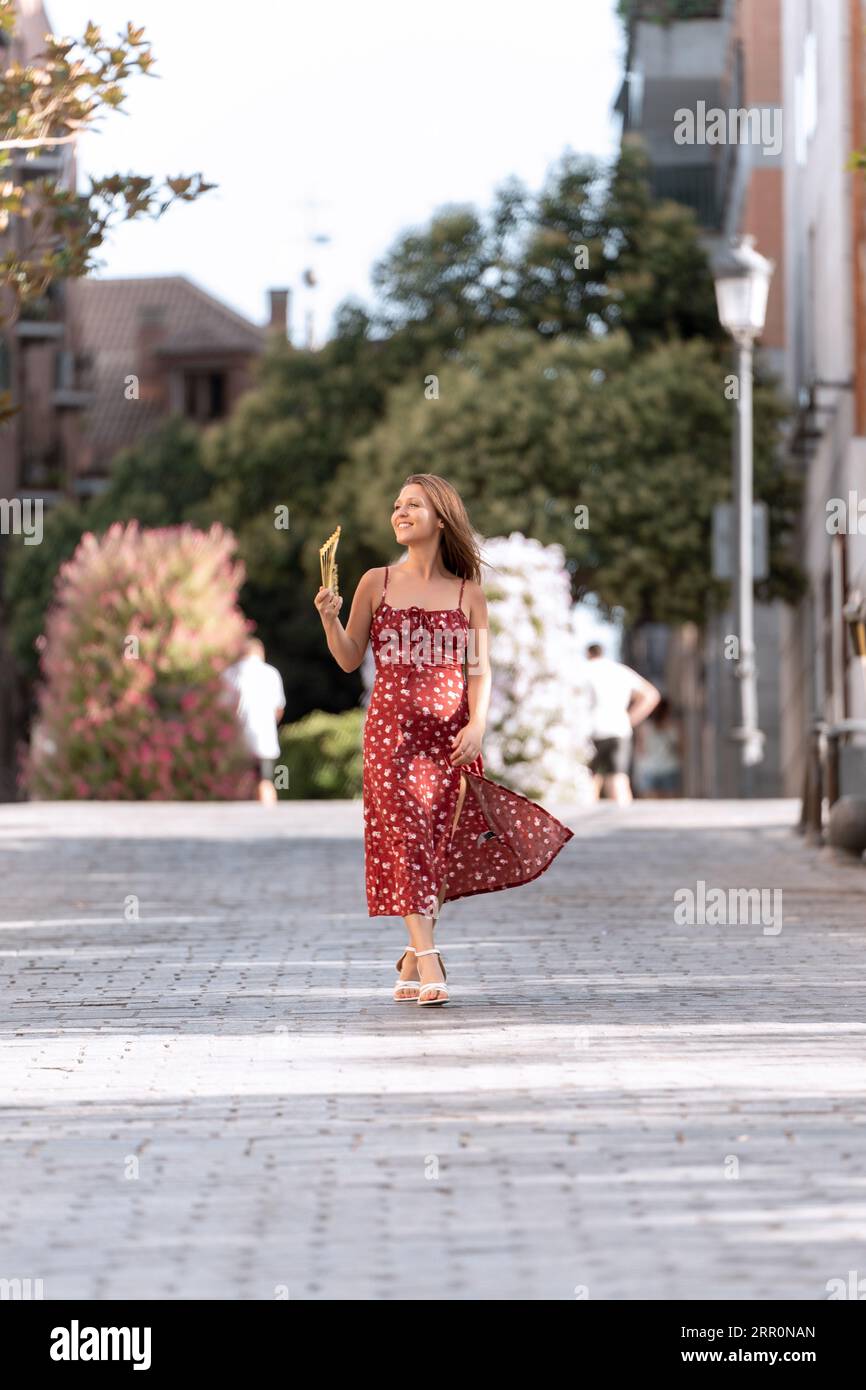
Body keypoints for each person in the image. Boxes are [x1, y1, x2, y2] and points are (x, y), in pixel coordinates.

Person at [314, 473, 573, 1007]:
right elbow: (346, 658)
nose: (400, 512)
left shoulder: (467, 593)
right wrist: (329, 617)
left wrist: (477, 724)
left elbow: (479, 670)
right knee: (407, 838)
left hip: (450, 740)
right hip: (391, 737)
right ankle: (430, 958)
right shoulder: (375, 582)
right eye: (397, 505)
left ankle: (412, 955)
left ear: (441, 518)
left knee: (437, 848)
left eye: (413, 505)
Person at [583, 643, 660, 806]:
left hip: (592, 729)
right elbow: (651, 695)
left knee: (590, 780)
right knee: (619, 779)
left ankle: (585, 828)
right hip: (619, 729)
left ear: (588, 654)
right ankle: (626, 823)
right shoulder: (620, 671)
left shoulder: (585, 670)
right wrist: (630, 719)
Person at [223, 638, 285, 805]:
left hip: (239, 737)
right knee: (266, 781)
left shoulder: (230, 674)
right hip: (265, 736)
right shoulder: (271, 673)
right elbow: (278, 709)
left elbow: (224, 709)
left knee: (239, 784)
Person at [635, 697, 682, 798]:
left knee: (651, 805)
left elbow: (640, 749)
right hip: (669, 767)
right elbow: (681, 749)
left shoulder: (644, 727)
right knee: (670, 804)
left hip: (649, 767)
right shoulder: (673, 727)